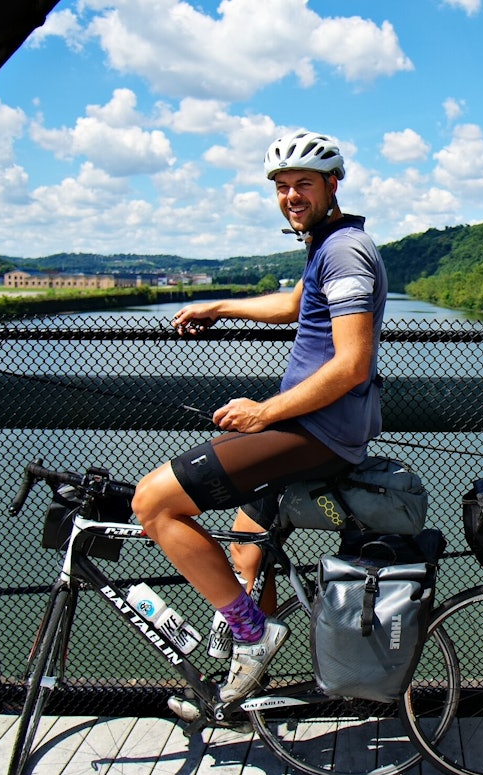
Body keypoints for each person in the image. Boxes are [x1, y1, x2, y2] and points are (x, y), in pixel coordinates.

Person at [132, 130, 388, 708]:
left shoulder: (344, 252)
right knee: (248, 548)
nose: (292, 195)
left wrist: (263, 412)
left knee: (153, 502)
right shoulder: (329, 243)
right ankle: (243, 691)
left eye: (304, 184)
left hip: (316, 430)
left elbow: (352, 363)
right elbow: (295, 305)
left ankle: (253, 633)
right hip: (317, 427)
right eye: (282, 186)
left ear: (332, 184)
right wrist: (219, 306)